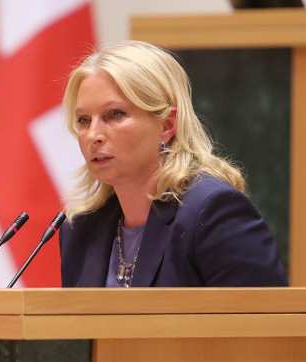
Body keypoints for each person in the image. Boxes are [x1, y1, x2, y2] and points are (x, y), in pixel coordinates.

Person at [59, 40, 286, 288]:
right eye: (83, 120)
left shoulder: (211, 214)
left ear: (167, 126)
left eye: (115, 114)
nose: (93, 135)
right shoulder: (81, 230)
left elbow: (265, 313)